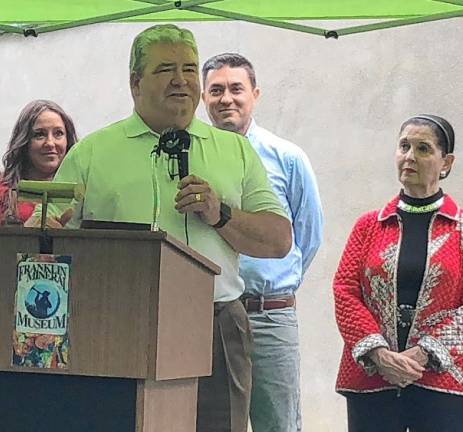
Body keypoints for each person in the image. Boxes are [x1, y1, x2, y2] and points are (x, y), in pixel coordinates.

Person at [31, 25, 291, 432]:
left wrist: (220, 213)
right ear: (135, 83)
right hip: (115, 321)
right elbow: (43, 235)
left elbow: (278, 240)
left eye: (189, 69)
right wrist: (43, 228)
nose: (181, 81)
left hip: (215, 322)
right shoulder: (92, 153)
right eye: (166, 69)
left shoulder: (235, 150)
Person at [202, 53, 323, 432]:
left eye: (236, 89)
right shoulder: (192, 156)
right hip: (210, 317)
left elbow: (307, 235)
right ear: (203, 99)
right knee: (212, 420)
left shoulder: (286, 158)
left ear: (255, 94)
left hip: (268, 315)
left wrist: (274, 281)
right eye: (216, 90)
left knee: (278, 424)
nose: (227, 99)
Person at [333, 115, 463, 431]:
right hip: (372, 376)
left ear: (446, 162)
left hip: (441, 378)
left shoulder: (460, 231)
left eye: (423, 149)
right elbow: (345, 289)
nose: (409, 156)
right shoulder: (368, 226)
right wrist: (379, 354)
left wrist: (423, 354)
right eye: (404, 146)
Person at [0, 99, 77, 225]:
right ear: (24, 142)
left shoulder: (79, 192)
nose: (50, 143)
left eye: (58, 133)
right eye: (39, 135)